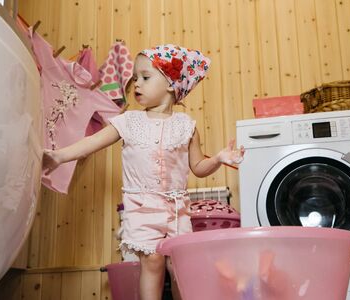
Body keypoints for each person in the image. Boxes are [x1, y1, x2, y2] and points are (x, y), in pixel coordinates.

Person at [42, 44, 245, 300]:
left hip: (176, 208)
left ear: (171, 85)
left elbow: (198, 168)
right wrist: (59, 156)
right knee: (152, 261)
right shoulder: (128, 121)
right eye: (135, 77)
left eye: (145, 77)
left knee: (180, 265)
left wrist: (218, 158)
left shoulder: (186, 126)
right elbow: (90, 144)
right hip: (140, 206)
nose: (136, 83)